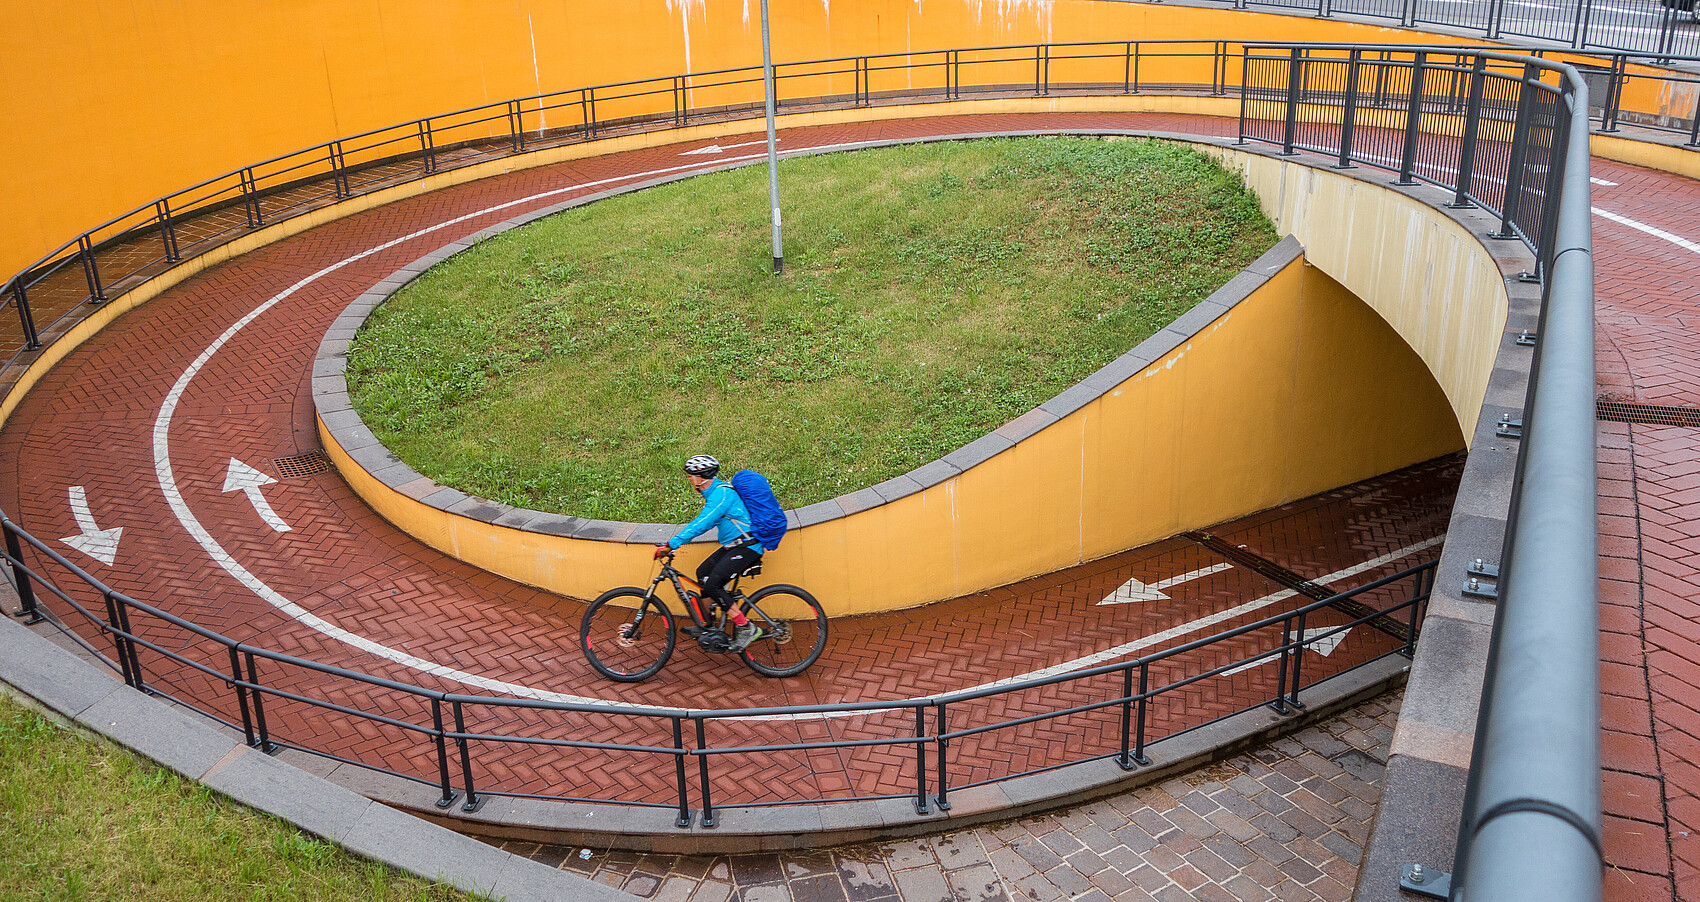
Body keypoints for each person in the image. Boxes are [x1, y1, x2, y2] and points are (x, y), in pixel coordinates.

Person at [656, 454, 764, 652]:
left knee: (713, 583)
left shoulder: (722, 495)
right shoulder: (716, 494)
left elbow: (702, 523)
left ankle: (745, 627)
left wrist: (672, 544)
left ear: (700, 477)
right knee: (703, 573)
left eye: (691, 477)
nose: (690, 480)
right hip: (734, 546)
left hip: (748, 547)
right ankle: (707, 627)